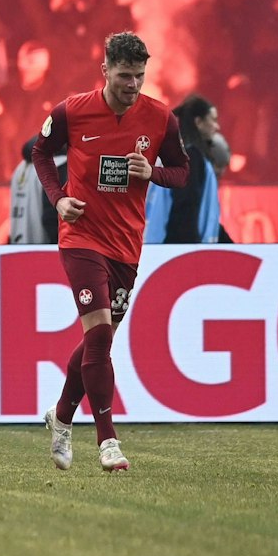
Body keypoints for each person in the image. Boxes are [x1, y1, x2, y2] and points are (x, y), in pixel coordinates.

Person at [32, 32, 188, 473]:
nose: (132, 85)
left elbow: (182, 171)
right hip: (81, 237)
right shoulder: (72, 110)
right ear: (105, 70)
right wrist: (58, 197)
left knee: (95, 343)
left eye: (139, 77)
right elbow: (41, 152)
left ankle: (61, 417)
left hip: (126, 245)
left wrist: (154, 172)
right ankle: (108, 442)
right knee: (99, 337)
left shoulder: (161, 119)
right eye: (124, 76)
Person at [145, 95, 223, 244]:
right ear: (198, 122)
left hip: (164, 244)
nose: (216, 126)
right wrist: (187, 249)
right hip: (179, 247)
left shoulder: (177, 153)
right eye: (213, 119)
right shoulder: (191, 157)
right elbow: (186, 208)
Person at [9, 134, 66, 245]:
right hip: (46, 251)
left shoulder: (22, 167)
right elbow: (53, 218)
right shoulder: (60, 166)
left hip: (18, 246)